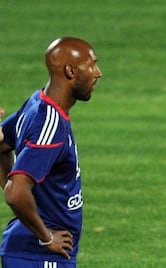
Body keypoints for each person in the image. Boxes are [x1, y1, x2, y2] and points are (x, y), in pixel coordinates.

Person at [0, 37, 102, 268]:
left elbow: (1, 144)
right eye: (91, 64)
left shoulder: (37, 104)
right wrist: (45, 237)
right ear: (70, 70)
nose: (98, 73)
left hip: (32, 253)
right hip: (39, 256)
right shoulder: (51, 125)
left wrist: (25, 198)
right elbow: (16, 193)